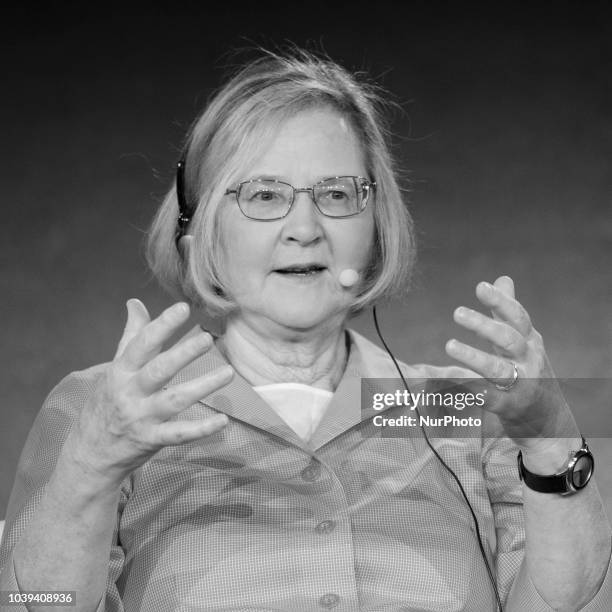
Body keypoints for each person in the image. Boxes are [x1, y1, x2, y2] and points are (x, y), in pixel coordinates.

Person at [1, 48, 611, 612]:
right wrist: (91, 464)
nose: (304, 227)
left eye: (336, 194)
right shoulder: (105, 409)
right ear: (201, 231)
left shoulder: (458, 411)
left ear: (377, 227)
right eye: (265, 195)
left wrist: (551, 437)